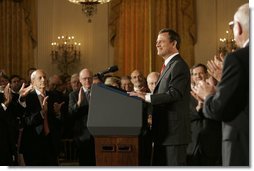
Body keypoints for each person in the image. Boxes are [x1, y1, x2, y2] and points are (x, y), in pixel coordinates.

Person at [192, 3, 249, 166]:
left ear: (238, 27)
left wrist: (208, 95)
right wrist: (225, 82)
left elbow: (218, 110)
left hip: (243, 144)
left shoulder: (237, 58)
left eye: (232, 26)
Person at [129, 28, 191, 166]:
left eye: (161, 41)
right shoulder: (168, 66)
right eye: (156, 42)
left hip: (174, 134)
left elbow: (174, 94)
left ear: (173, 44)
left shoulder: (179, 65)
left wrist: (146, 96)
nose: (157, 45)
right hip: (163, 133)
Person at [19, 69, 62, 165]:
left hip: (51, 142)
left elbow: (58, 123)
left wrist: (58, 113)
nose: (43, 80)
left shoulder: (54, 96)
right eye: (40, 78)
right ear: (33, 82)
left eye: (45, 77)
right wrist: (42, 112)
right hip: (33, 144)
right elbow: (27, 121)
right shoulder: (28, 97)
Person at [187, 64, 222, 166]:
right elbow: (184, 115)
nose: (198, 76)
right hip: (192, 142)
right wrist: (198, 108)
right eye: (195, 74)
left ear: (206, 74)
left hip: (212, 141)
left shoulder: (214, 91)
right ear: (192, 77)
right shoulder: (187, 94)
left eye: (201, 73)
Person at [68, 68, 96, 166]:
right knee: (85, 162)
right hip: (82, 134)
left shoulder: (99, 92)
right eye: (84, 79)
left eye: (89, 78)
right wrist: (78, 103)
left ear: (93, 79)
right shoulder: (73, 95)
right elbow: (71, 114)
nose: (87, 81)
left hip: (98, 133)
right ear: (80, 80)